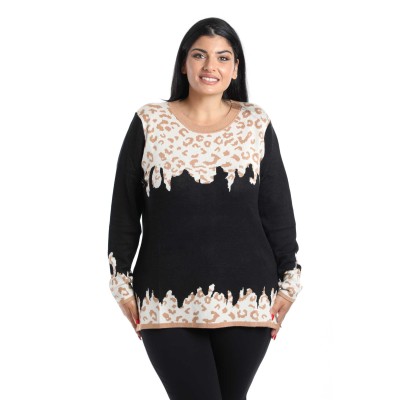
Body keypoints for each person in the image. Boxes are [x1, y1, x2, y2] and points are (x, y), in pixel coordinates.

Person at [107, 17, 303, 400]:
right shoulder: (150, 122)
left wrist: (289, 284)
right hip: (165, 301)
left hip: (247, 300)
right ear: (184, 63)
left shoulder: (255, 123)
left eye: (223, 57)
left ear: (235, 68)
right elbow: (125, 212)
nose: (210, 66)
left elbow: (277, 212)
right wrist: (121, 286)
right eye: (199, 55)